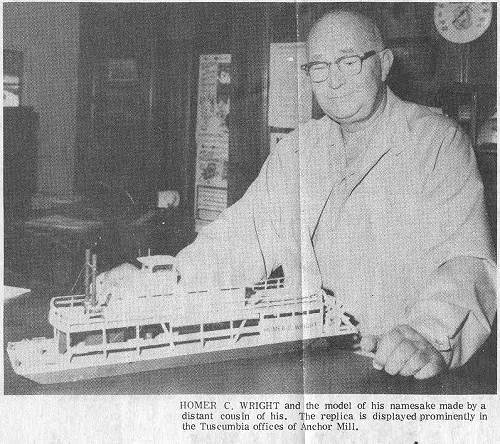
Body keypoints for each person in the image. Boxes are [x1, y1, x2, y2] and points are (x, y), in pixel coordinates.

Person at [99, 11, 496, 379]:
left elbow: (465, 261)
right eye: (319, 67)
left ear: (384, 64)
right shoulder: (297, 149)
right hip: (305, 367)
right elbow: (238, 240)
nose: (334, 80)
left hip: (392, 370)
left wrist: (428, 334)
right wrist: (158, 285)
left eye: (348, 61)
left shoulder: (437, 142)